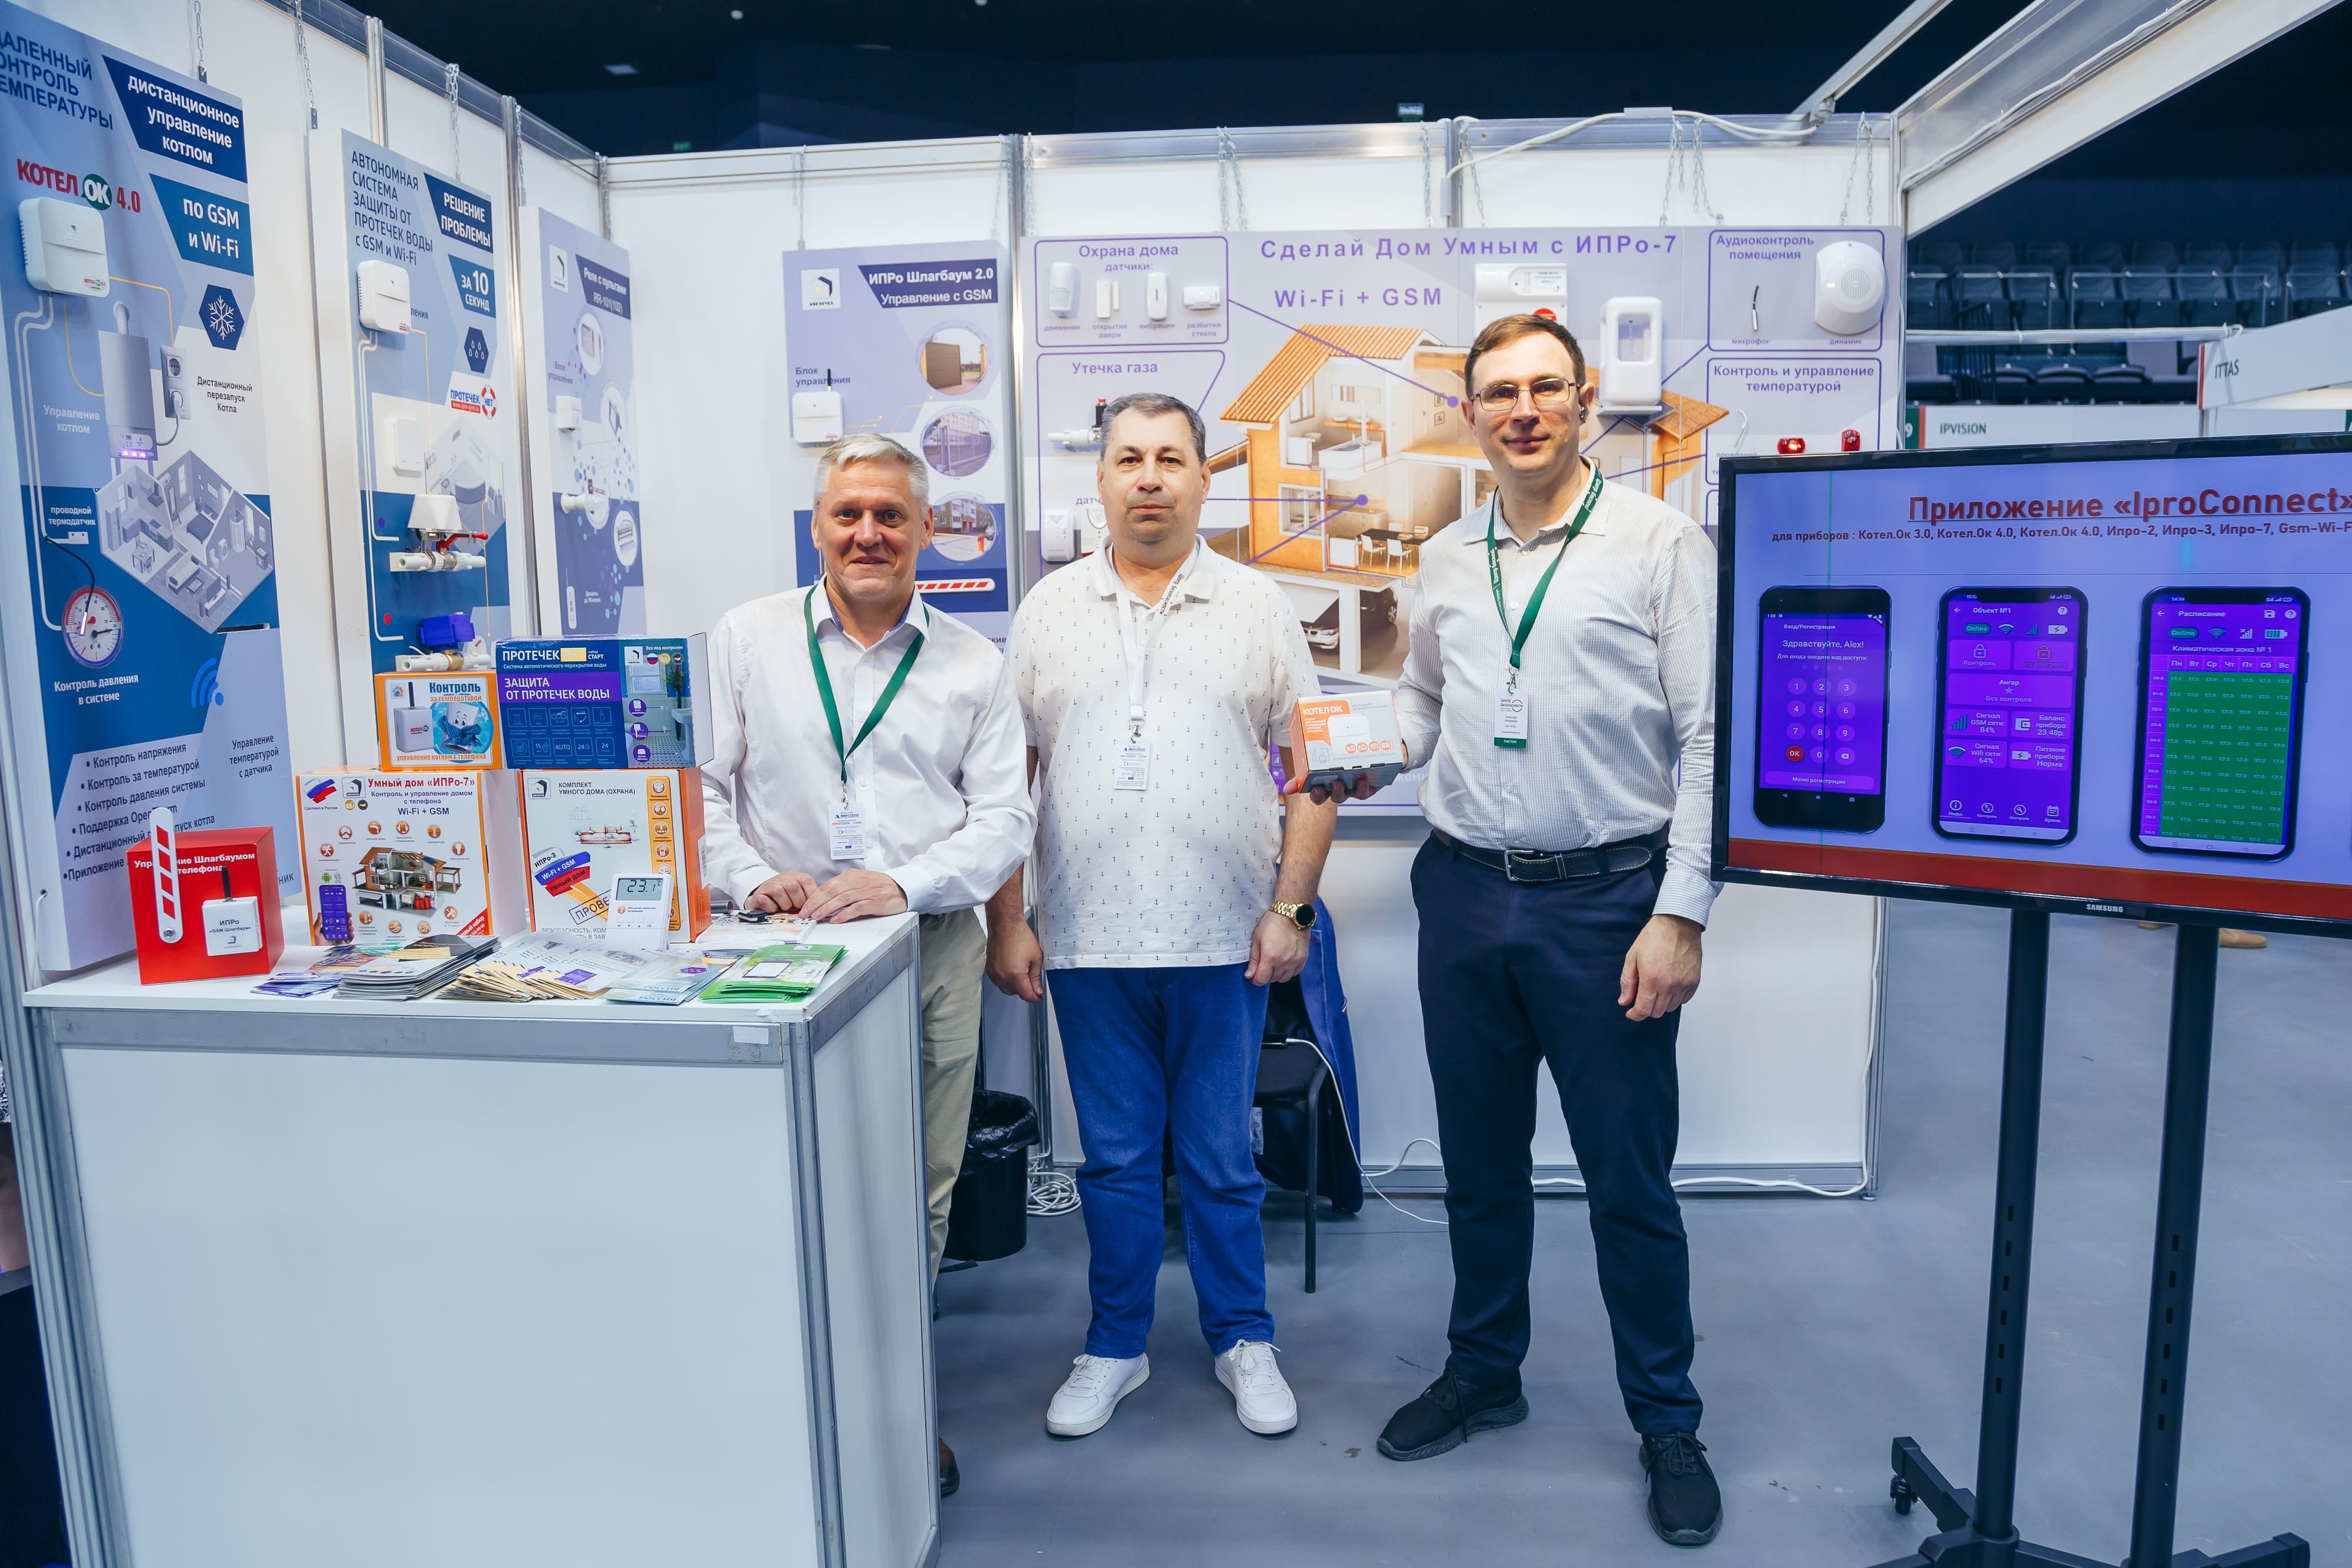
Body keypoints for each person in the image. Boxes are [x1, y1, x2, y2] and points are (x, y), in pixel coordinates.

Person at [1320, 315, 1724, 1545]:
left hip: (1605, 903)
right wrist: (1365, 755)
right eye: (1499, 392)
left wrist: (1680, 911)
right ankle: (1484, 1371)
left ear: (1585, 400)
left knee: (1627, 1183)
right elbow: (1424, 704)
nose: (1524, 409)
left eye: (1546, 387)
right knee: (1480, 1167)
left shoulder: (1657, 543)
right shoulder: (1448, 554)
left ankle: (1667, 1419)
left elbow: (1709, 737)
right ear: (1471, 413)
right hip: (1462, 893)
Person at [987, 392, 1337, 1440]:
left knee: (1223, 1161)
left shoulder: (1259, 606)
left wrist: (1292, 909)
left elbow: (1314, 772)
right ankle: (1115, 1345)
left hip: (1225, 939)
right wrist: (1009, 919)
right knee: (1116, 1164)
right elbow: (1008, 782)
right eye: (1130, 458)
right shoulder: (1048, 609)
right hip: (1087, 941)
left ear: (1204, 478)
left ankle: (1243, 1338)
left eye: (1171, 458)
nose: (1150, 476)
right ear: (1100, 479)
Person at [701, 432, 1033, 1499]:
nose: (869, 534)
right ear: (817, 527)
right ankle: (780, 1397)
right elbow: (700, 789)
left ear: (927, 529)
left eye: (891, 515)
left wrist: (904, 883)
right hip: (778, 953)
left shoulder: (973, 663)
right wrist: (753, 876)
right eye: (848, 514)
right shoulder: (747, 638)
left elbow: (1004, 819)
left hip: (928, 949)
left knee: (919, 1183)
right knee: (781, 1175)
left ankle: (893, 1405)